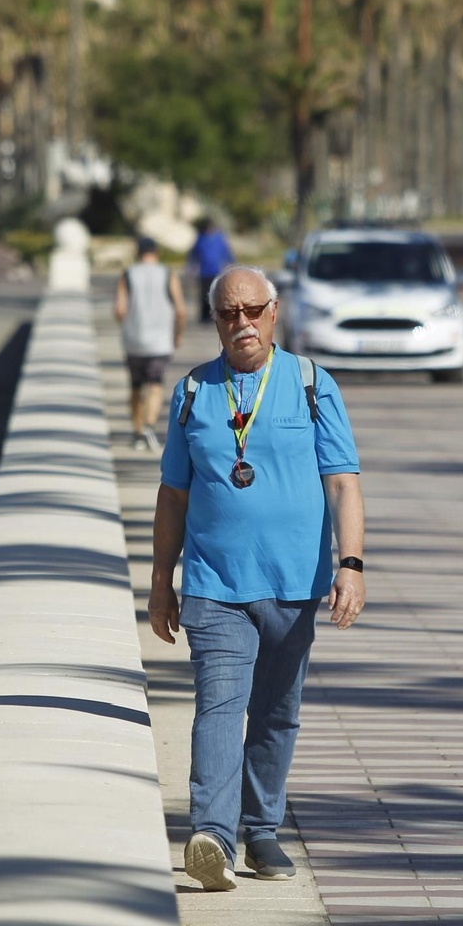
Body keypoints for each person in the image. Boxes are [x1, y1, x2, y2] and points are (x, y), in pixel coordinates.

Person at [152, 264, 366, 892]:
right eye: (227, 313)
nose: (240, 323)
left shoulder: (311, 384)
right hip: (215, 583)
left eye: (251, 310)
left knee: (276, 711)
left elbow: (344, 483)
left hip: (296, 583)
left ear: (274, 312)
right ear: (213, 319)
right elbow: (172, 494)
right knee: (219, 706)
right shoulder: (193, 391)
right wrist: (161, 580)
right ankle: (212, 837)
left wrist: (350, 565)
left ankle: (262, 829)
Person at [115, 236, 186, 450]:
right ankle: (149, 425)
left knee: (135, 386)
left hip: (134, 341)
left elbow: (119, 310)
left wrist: (127, 325)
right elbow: (181, 310)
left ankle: (137, 433)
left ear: (137, 253)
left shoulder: (128, 274)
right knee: (155, 384)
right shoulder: (168, 274)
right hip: (160, 340)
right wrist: (177, 334)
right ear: (156, 253)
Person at [190, 218, 235, 323]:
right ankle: (204, 316)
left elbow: (227, 252)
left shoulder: (220, 238)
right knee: (203, 295)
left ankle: (215, 314)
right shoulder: (200, 239)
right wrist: (191, 268)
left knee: (215, 294)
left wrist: (231, 263)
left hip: (216, 271)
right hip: (204, 272)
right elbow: (194, 254)